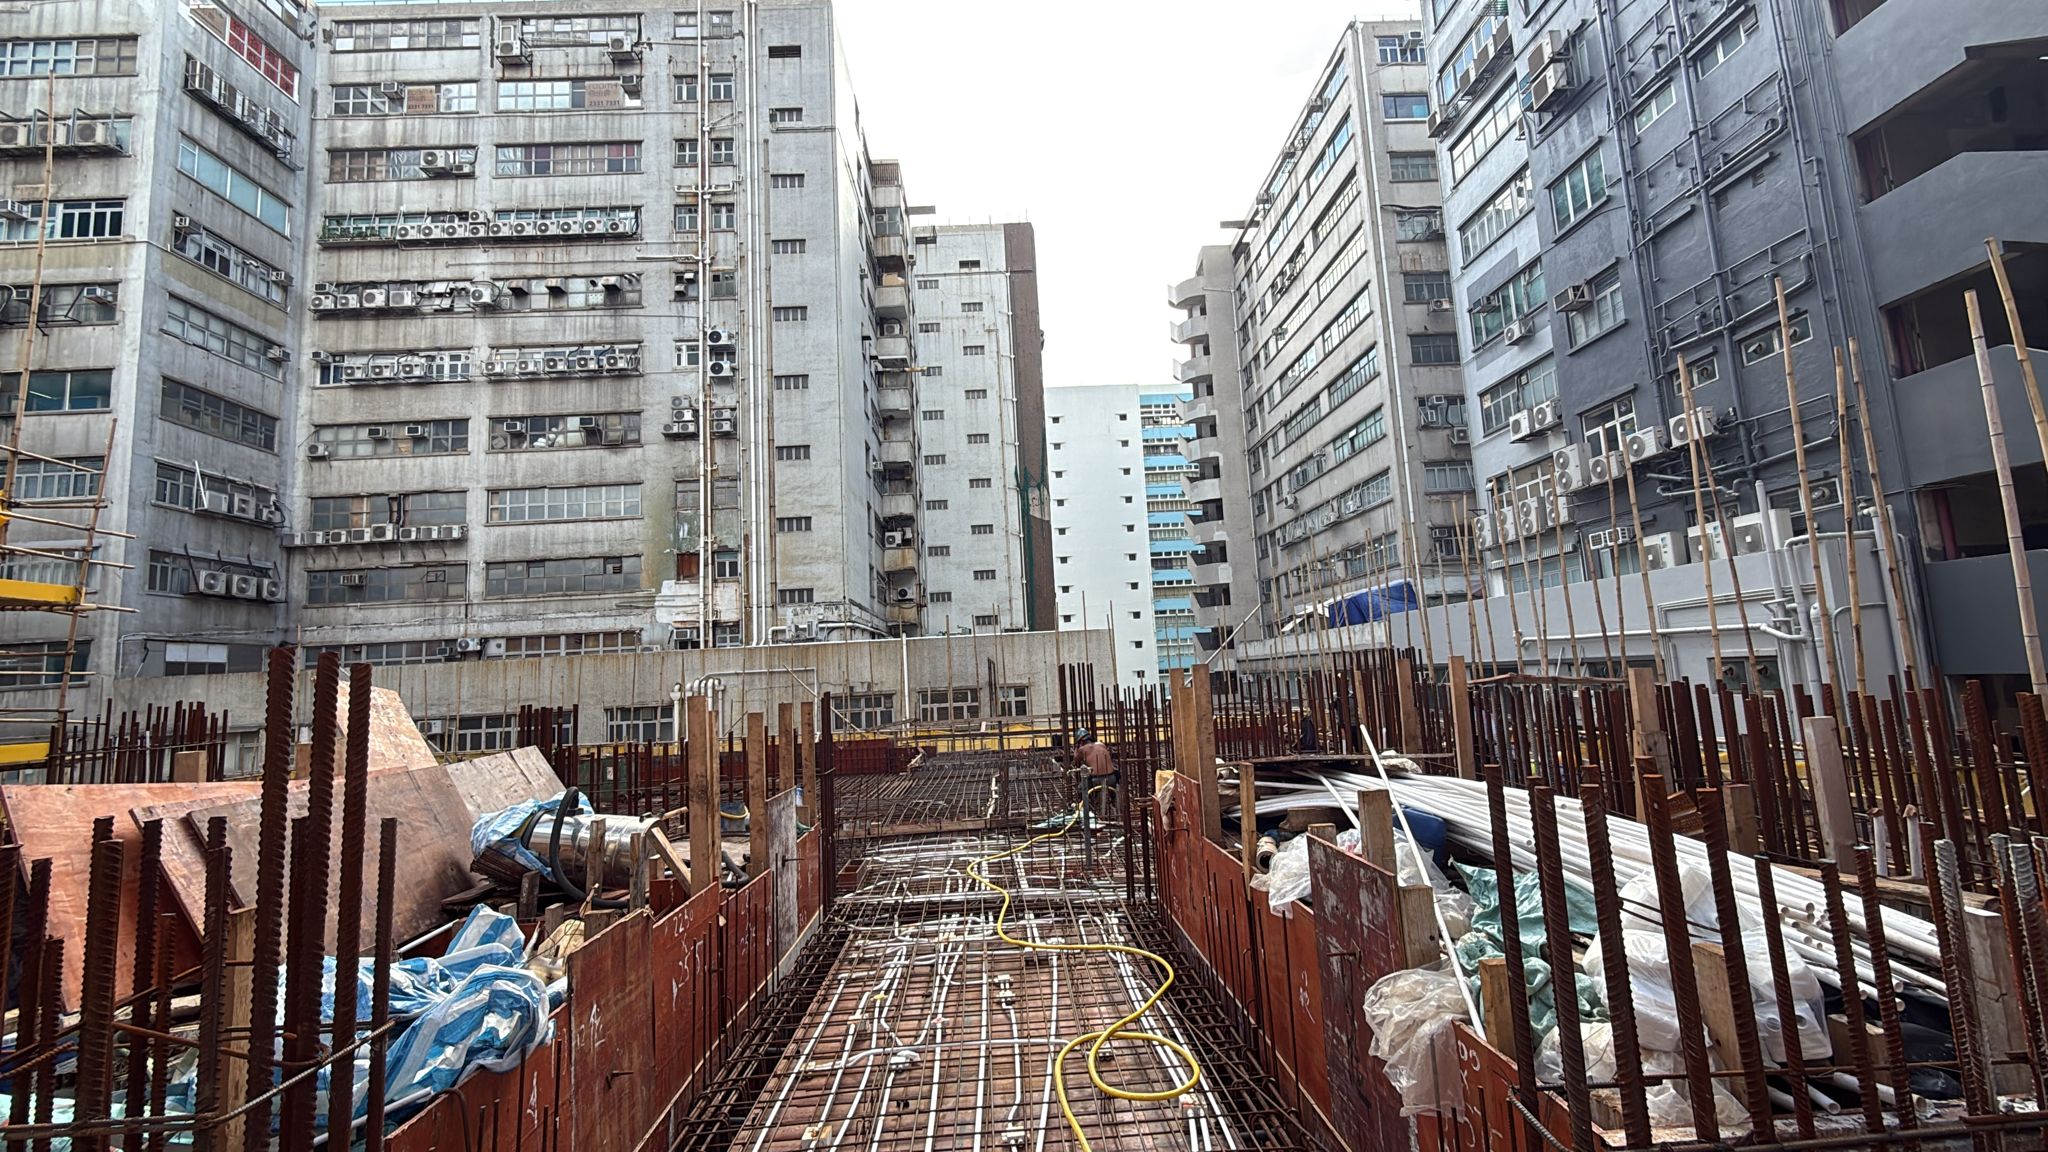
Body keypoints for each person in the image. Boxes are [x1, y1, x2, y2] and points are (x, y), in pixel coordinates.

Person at [1071, 728, 1119, 837]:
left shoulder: (1082, 749)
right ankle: (1115, 806)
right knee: (1114, 797)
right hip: (1112, 778)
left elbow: (1076, 761)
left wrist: (1077, 748)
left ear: (1081, 741)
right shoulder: (1101, 745)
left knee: (1080, 790)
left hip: (1095, 780)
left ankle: (1087, 812)